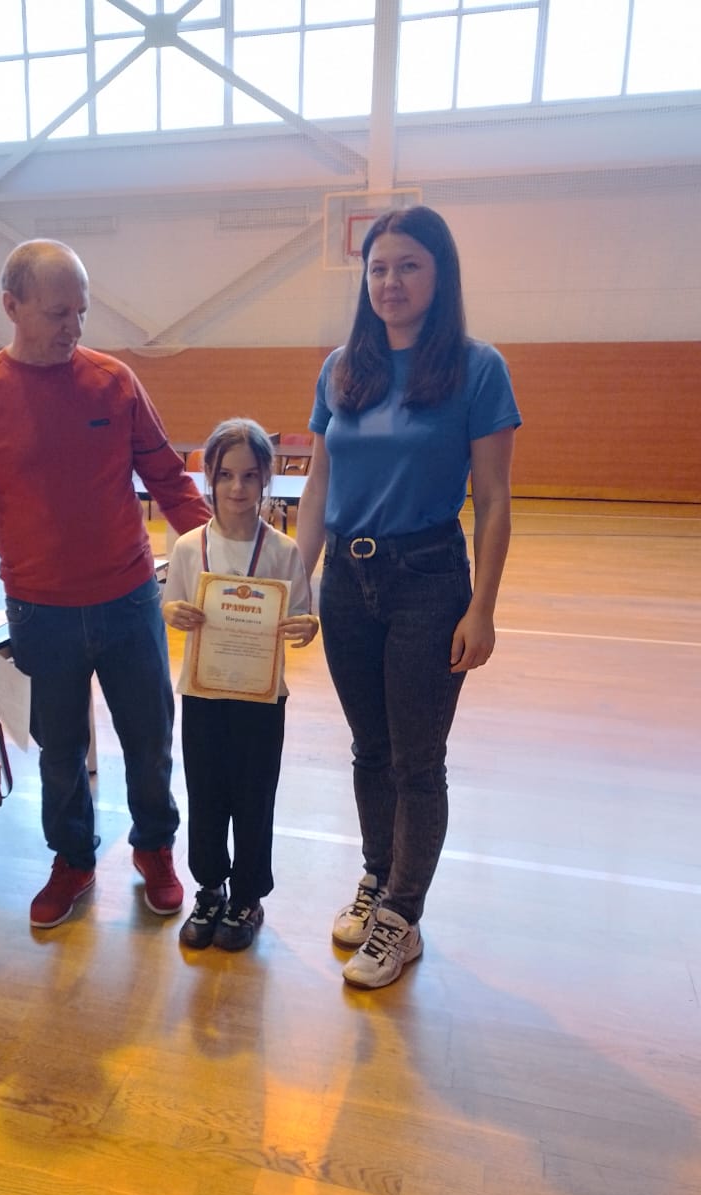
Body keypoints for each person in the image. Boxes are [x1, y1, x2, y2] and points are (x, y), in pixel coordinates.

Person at [0, 239, 212, 928]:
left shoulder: (115, 383)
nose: (74, 327)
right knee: (60, 753)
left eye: (81, 312)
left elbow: (169, 479)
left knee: (150, 739)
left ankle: (154, 848)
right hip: (39, 613)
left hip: (130, 602)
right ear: (11, 306)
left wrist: (226, 555)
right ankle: (73, 858)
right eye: (58, 313)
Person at [296, 205, 521, 990]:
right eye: (379, 268)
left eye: (408, 266)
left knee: (417, 760)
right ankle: (378, 875)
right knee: (370, 749)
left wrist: (482, 607)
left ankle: (403, 915)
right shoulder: (341, 369)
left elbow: (494, 499)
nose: (390, 282)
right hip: (347, 583)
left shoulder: (476, 368)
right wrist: (298, 579)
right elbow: (318, 483)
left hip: (428, 579)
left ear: (439, 273)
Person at [162, 419, 319, 951]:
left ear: (265, 479)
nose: (237, 487)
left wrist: (306, 626)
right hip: (203, 692)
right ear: (208, 475)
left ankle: (247, 895)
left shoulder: (283, 550)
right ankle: (210, 888)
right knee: (206, 793)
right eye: (226, 474)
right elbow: (171, 603)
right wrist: (172, 612)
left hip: (260, 697)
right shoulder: (189, 547)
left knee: (254, 795)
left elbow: (301, 617)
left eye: (250, 476)